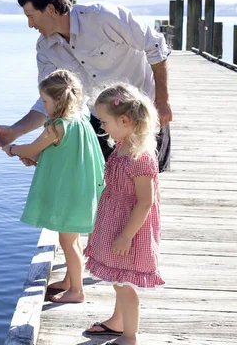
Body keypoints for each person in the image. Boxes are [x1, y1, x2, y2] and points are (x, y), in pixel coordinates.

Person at [0, 0, 172, 172]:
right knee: (105, 189)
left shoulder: (102, 17)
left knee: (148, 186)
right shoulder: (46, 49)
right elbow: (51, 101)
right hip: (102, 124)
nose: (30, 25)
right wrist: (15, 131)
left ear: (50, 9)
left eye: (31, 16)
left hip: (144, 114)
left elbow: (155, 46)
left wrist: (162, 100)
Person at [1, 69, 104, 303]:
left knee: (67, 242)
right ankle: (69, 281)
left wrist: (12, 149)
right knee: (73, 240)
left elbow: (32, 148)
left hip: (68, 194)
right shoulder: (81, 120)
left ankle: (76, 290)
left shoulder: (57, 126)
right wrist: (38, 158)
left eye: (45, 101)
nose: (44, 107)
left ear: (58, 100)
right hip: (81, 190)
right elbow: (60, 153)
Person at [83, 83, 165, 344]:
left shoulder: (140, 157)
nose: (102, 127)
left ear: (125, 119)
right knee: (118, 278)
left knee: (125, 283)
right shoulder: (121, 145)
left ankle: (130, 336)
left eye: (105, 121)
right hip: (115, 221)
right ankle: (118, 322)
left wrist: (126, 236)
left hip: (131, 230)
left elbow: (144, 202)